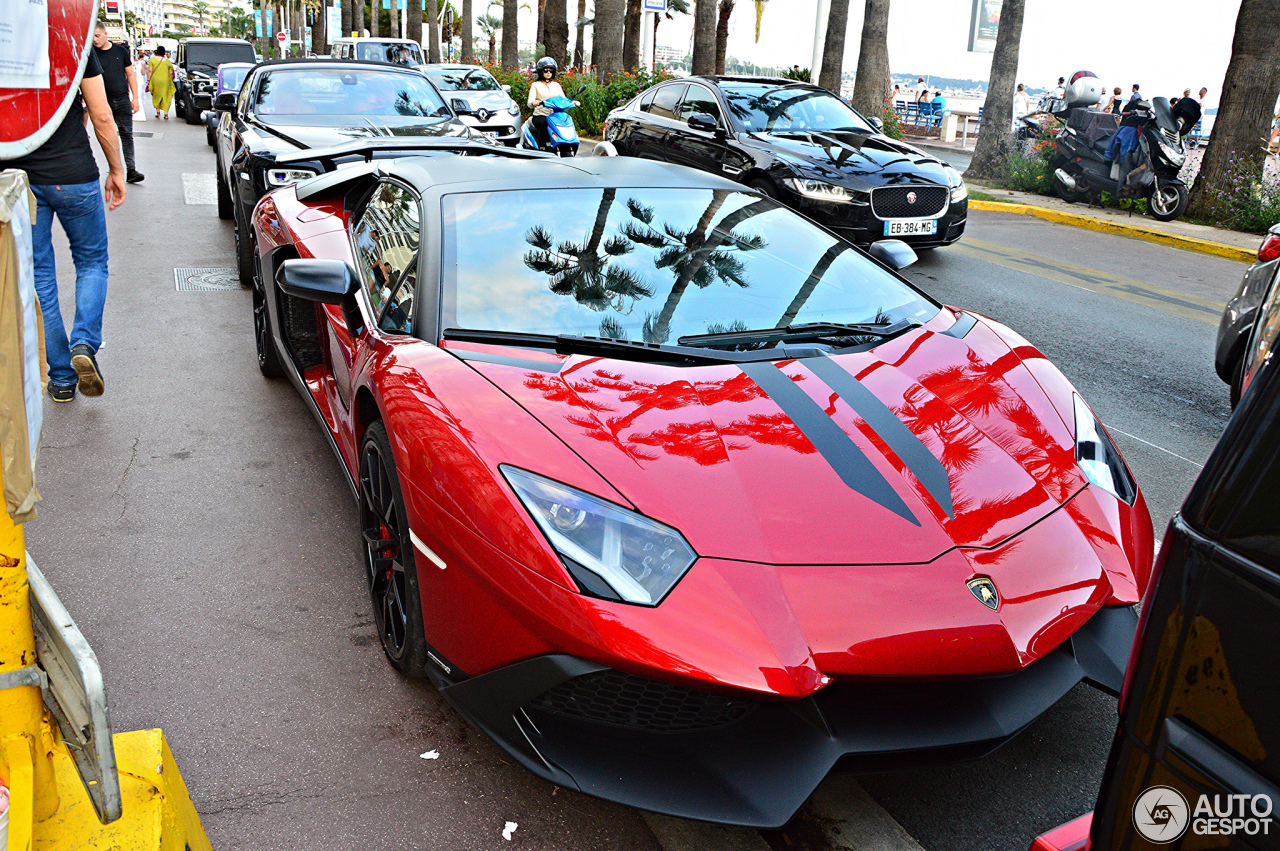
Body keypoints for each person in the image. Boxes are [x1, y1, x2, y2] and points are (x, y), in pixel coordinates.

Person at [0, 50, 126, 402]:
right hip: (73, 174)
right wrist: (117, 169)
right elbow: (101, 115)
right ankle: (84, 341)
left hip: (17, 179)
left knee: (40, 274)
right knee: (91, 263)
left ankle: (61, 378)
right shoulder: (72, 43)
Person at [92, 24, 143, 184]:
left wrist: (135, 98)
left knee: (127, 134)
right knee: (107, 135)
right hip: (101, 101)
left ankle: (131, 169)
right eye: (92, 37)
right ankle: (114, 167)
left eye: (98, 35)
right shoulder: (91, 54)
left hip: (121, 99)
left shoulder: (120, 52)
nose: (95, 40)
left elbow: (130, 75)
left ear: (105, 34)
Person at [527, 57, 567, 150]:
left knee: (566, 121)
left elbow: (563, 98)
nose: (548, 73)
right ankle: (542, 147)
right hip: (540, 114)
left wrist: (573, 102)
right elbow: (529, 102)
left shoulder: (556, 85)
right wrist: (534, 102)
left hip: (555, 114)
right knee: (544, 122)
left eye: (551, 71)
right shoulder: (535, 85)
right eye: (546, 71)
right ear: (541, 72)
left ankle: (565, 144)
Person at [146, 45, 175, 119]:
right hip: (166, 80)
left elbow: (150, 70)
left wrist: (148, 80)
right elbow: (171, 72)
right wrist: (171, 80)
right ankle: (166, 113)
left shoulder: (152, 60)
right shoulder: (167, 60)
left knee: (156, 95)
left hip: (155, 80)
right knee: (166, 96)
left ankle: (158, 112)